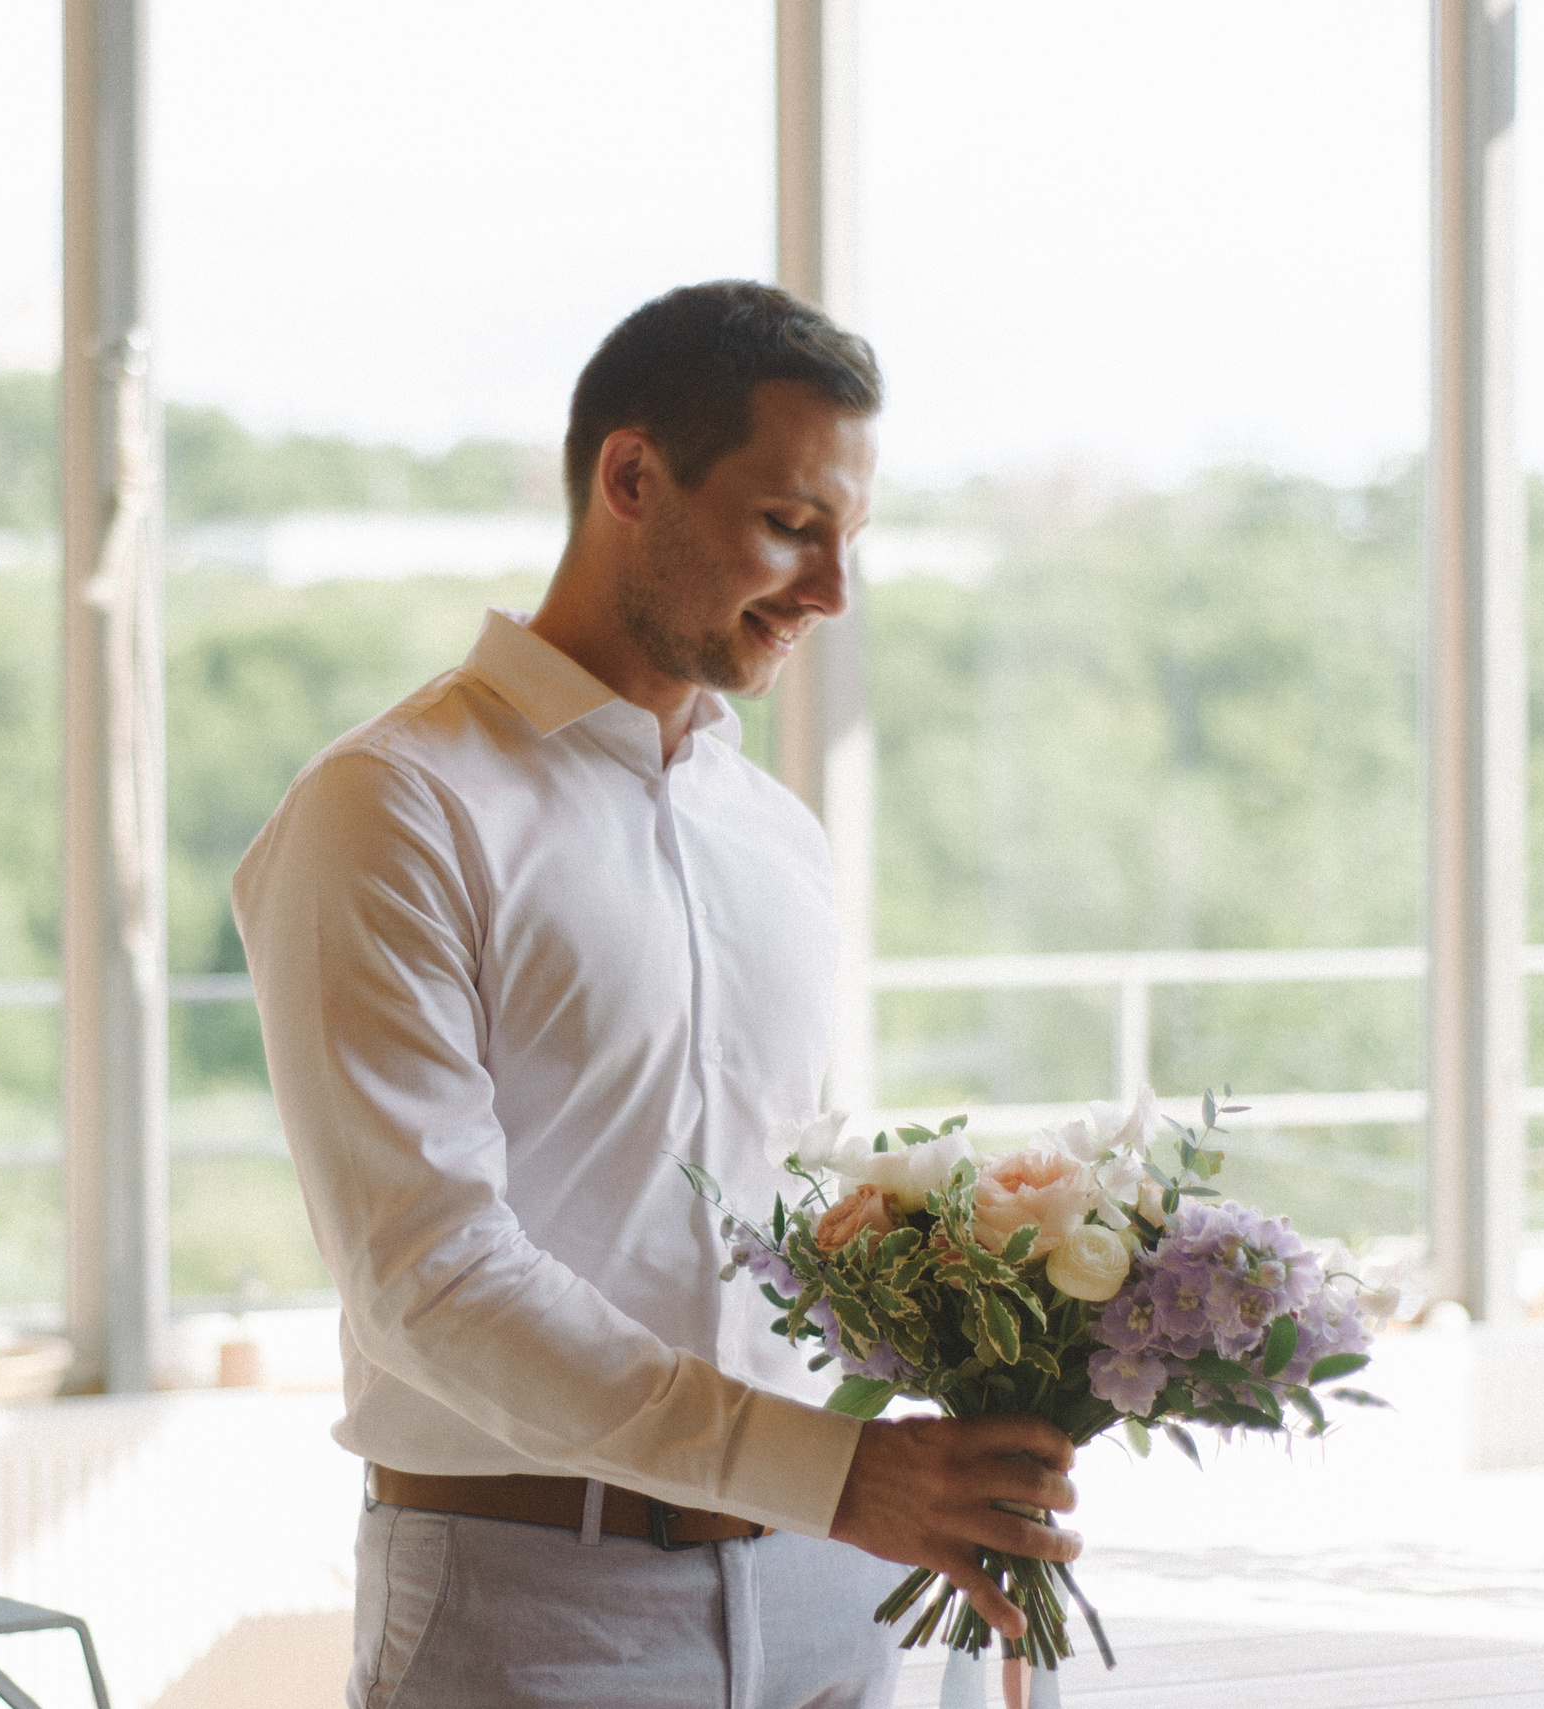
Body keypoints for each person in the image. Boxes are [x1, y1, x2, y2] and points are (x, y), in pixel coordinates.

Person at [231, 281, 1079, 1709]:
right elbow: (430, 1280)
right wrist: (842, 1470)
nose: (830, 594)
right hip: (536, 1608)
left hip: (829, 1586)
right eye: (788, 527)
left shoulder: (778, 836)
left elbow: (795, 1210)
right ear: (633, 476)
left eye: (847, 540)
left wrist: (1006, 1385)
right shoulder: (392, 807)